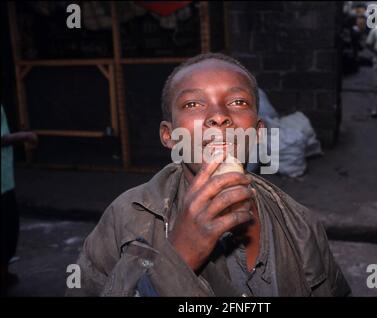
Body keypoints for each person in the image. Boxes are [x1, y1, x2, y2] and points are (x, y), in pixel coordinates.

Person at [68, 53, 351, 297]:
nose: (218, 115)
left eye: (238, 102)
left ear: (258, 132)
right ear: (169, 136)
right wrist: (176, 258)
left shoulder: (300, 223)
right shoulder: (126, 219)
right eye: (193, 104)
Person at [1, 105, 38, 295]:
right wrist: (24, 136)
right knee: (5, 229)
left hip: (5, 180)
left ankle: (4, 273)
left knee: (9, 228)